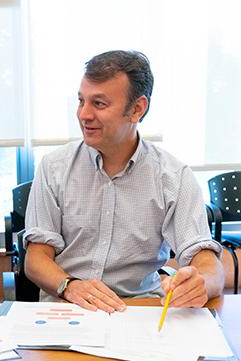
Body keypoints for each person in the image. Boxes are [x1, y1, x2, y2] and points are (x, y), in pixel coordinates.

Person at [24, 50, 224, 313]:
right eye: (81, 101)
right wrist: (70, 286)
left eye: (99, 104)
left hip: (138, 310)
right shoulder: (54, 167)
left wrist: (202, 283)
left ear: (136, 109)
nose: (84, 114)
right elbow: (36, 259)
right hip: (69, 306)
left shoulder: (174, 177)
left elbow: (206, 260)